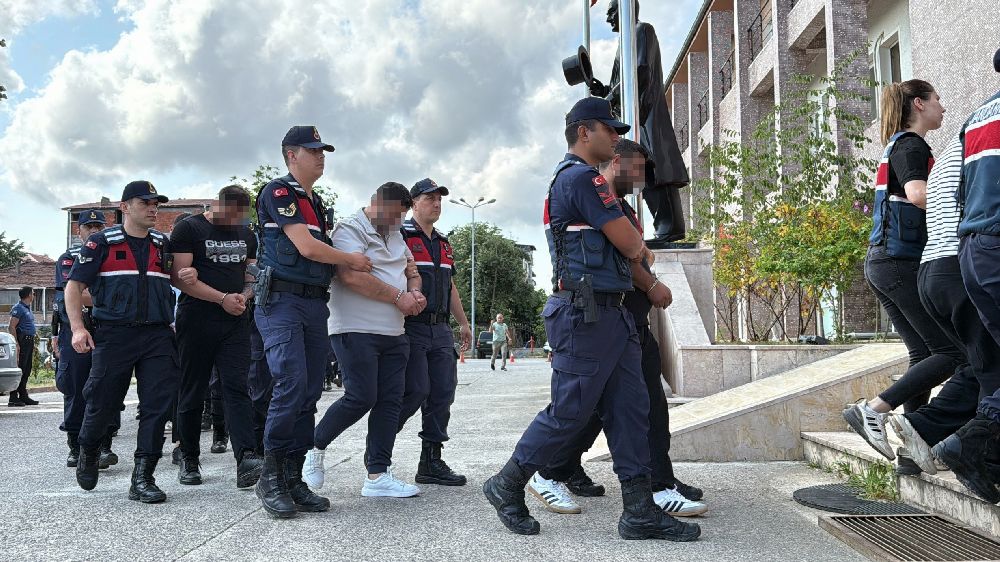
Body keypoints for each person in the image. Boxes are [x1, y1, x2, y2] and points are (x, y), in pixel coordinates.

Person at [482, 97, 700, 541]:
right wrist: (637, 245)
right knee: (570, 411)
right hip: (585, 313)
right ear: (585, 131)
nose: (616, 138)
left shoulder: (586, 181)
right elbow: (628, 242)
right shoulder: (581, 179)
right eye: (610, 130)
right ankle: (507, 483)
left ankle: (638, 510)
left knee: (630, 410)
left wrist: (634, 245)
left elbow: (628, 243)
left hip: (611, 312)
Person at [528, 139, 707, 518]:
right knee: (591, 407)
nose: (641, 177)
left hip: (624, 317)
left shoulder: (615, 202)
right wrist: (652, 280)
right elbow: (627, 253)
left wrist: (640, 252)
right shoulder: (583, 187)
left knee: (625, 406)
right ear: (617, 160)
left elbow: (633, 251)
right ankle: (533, 476)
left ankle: (649, 488)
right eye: (637, 167)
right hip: (602, 315)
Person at [253, 125, 371, 519]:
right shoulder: (280, 192)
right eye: (313, 150)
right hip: (282, 301)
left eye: (323, 151)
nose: (321, 157)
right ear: (291, 155)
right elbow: (305, 247)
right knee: (289, 382)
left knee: (307, 392)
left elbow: (320, 248)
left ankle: (292, 476)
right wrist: (352, 260)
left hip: (311, 303)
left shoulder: (316, 202)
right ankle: (269, 477)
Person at [843, 79, 963, 461]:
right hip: (899, 261)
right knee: (951, 351)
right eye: (937, 98)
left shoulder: (896, 145)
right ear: (919, 104)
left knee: (922, 355)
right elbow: (917, 194)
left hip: (884, 262)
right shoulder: (911, 145)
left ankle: (914, 453)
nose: (942, 106)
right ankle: (873, 410)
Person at [304, 182, 425, 498]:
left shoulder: (397, 235)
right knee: (360, 396)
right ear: (376, 202)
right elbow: (350, 276)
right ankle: (313, 447)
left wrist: (414, 291)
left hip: (394, 332)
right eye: (394, 214)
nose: (398, 221)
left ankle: (378, 474)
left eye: (402, 215)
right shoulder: (350, 229)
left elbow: (412, 270)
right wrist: (399, 296)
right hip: (355, 328)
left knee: (390, 401)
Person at [64, 181, 180, 503]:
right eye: (146, 203)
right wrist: (77, 329)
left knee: (157, 406)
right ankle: (88, 447)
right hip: (115, 334)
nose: (153, 208)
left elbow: (181, 281)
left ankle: (143, 477)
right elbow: (73, 288)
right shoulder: (101, 243)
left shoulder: (162, 244)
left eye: (156, 203)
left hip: (157, 335)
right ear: (125, 207)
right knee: (102, 402)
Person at [936, 48, 1000, 503]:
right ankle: (970, 443)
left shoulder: (976, 118)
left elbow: (960, 192)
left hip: (973, 250)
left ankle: (980, 452)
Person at [170, 185, 263, 489]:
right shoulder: (189, 228)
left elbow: (252, 275)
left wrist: (244, 296)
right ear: (217, 205)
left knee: (237, 387)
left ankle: (246, 458)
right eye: (232, 215)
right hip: (196, 319)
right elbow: (180, 278)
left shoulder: (247, 235)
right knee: (193, 389)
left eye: (241, 217)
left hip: (235, 320)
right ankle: (188, 455)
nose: (236, 222)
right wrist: (221, 297)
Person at [589, 0, 688, 248]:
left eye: (612, 13)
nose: (608, 19)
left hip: (646, 114)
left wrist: (612, 96)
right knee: (643, 172)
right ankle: (664, 226)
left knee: (655, 168)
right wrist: (604, 90)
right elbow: (621, 82)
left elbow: (641, 71)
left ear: (625, 10)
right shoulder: (623, 43)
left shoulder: (642, 30)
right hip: (636, 117)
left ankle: (671, 228)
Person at [395, 178, 472, 486]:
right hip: (411, 326)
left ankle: (431, 461)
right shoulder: (401, 235)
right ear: (414, 203)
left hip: (440, 328)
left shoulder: (443, 241)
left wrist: (463, 323)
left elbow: (450, 285)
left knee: (442, 392)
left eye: (440, 199)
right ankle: (380, 446)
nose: (436, 204)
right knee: (415, 390)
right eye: (429, 199)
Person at [51, 210, 120, 469]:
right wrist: (95, 295)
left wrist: (88, 294)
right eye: (88, 226)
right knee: (76, 387)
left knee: (109, 388)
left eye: (97, 225)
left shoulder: (113, 257)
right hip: (78, 330)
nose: (93, 230)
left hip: (107, 331)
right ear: (78, 231)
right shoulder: (69, 259)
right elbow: (69, 295)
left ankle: (104, 446)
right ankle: (75, 445)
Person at [7, 286, 38, 407]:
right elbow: (11, 326)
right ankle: (13, 397)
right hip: (22, 340)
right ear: (29, 295)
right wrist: (16, 343)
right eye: (33, 293)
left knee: (27, 369)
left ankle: (23, 395)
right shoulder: (18, 308)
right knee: (20, 368)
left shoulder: (27, 308)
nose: (34, 295)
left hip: (29, 341)